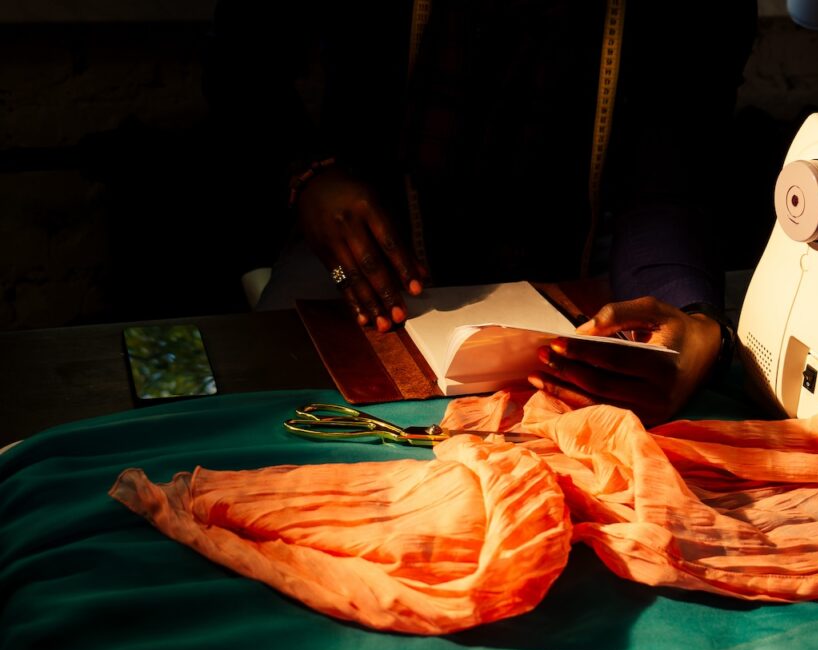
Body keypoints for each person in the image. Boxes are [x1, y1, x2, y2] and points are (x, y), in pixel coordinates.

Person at [204, 0, 756, 424]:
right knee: (261, 422)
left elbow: (674, 165)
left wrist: (698, 319)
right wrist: (309, 174)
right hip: (362, 257)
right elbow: (242, 66)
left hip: (591, 254)